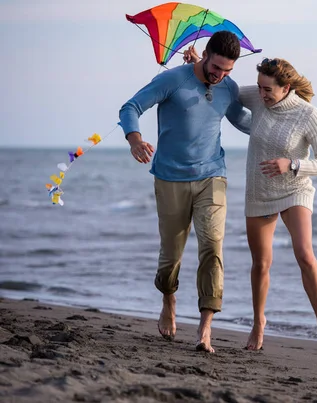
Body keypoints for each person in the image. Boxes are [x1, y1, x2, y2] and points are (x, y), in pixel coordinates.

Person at [118, 31, 251, 353]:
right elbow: (130, 107)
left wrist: (279, 117)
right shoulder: (173, 80)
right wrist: (135, 140)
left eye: (228, 71)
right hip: (170, 178)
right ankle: (169, 299)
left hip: (212, 175)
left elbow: (243, 122)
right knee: (171, 257)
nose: (220, 75)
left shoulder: (227, 88)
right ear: (205, 55)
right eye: (217, 67)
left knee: (211, 245)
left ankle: (205, 328)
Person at [238, 58, 317, 351]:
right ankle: (259, 323)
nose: (261, 95)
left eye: (268, 89)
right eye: (259, 88)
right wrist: (199, 64)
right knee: (261, 263)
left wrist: (292, 164)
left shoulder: (307, 114)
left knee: (304, 253)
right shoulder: (256, 98)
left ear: (286, 88)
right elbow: (225, 87)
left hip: (295, 189)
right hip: (259, 190)